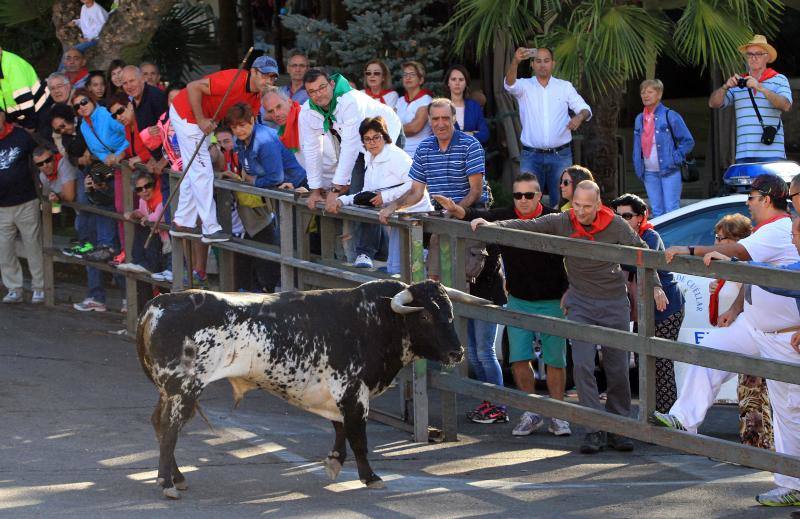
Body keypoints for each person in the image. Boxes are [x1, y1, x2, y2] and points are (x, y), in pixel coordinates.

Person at [472, 180, 667, 454]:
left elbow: (642, 253)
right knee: (584, 366)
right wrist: (493, 226)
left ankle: (618, 427)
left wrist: (656, 284)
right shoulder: (564, 220)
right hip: (581, 301)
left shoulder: (615, 225)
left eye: (587, 206)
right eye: (577, 205)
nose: (582, 211)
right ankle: (593, 429)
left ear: (598, 204)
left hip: (613, 302)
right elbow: (530, 225)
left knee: (618, 368)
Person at [655, 217, 800, 507]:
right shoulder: (780, 234)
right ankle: (685, 418)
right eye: (795, 232)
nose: (793, 239)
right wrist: (737, 306)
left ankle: (792, 484)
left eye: (797, 234)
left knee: (789, 413)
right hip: (753, 327)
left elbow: (783, 282)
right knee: (710, 349)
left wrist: (740, 266)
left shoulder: (778, 232)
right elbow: (760, 279)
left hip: (784, 339)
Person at [434, 173, 571, 435]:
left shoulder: (555, 218)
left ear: (539, 196)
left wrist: (570, 291)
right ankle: (531, 412)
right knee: (519, 358)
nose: (522, 200)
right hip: (518, 300)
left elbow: (577, 254)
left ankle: (559, 414)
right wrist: (456, 209)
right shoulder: (506, 214)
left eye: (528, 195)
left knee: (556, 361)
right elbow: (472, 213)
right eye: (518, 195)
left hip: (553, 299)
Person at [300, 68, 402, 268]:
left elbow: (350, 146)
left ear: (330, 84)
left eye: (321, 87)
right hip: (357, 147)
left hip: (385, 138)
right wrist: (315, 190)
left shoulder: (350, 101)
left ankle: (365, 253)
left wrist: (336, 189)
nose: (318, 94)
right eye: (312, 91)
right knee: (357, 195)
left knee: (370, 193)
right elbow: (312, 148)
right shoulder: (307, 110)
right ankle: (380, 250)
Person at [167, 55, 276, 243]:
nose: (269, 81)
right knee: (202, 172)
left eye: (273, 77)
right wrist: (201, 119)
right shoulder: (232, 79)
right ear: (253, 72)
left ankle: (182, 221)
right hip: (188, 114)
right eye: (265, 75)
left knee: (194, 170)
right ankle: (210, 228)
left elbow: (249, 130)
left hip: (205, 120)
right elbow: (193, 86)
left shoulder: (256, 98)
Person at [610, 193, 685, 413]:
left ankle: (667, 418)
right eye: (617, 216)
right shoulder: (619, 236)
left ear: (641, 217)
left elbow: (639, 263)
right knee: (643, 362)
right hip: (644, 308)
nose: (622, 220)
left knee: (661, 363)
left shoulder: (650, 236)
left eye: (627, 216)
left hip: (666, 306)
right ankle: (650, 416)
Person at [707, 213, 774, 450]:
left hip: (756, 337)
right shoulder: (730, 266)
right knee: (748, 396)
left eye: (721, 238)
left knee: (756, 397)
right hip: (741, 336)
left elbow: (746, 298)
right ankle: (755, 447)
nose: (716, 242)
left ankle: (762, 449)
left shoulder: (745, 266)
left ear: (737, 240)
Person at [335, 116, 432, 274]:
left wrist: (385, 197)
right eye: (367, 139)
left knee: (406, 270)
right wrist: (343, 200)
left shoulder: (395, 155)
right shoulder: (370, 157)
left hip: (414, 214)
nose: (372, 142)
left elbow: (415, 184)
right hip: (395, 216)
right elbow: (367, 193)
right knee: (396, 269)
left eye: (376, 137)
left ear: (384, 136)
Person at [504, 47, 591, 208]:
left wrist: (579, 117)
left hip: (560, 155)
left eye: (546, 61)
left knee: (563, 203)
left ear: (553, 63)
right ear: (532, 64)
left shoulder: (564, 87)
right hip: (531, 155)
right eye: (538, 61)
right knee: (526, 202)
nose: (542, 65)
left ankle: (558, 234)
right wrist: (515, 61)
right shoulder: (524, 86)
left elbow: (585, 109)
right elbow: (509, 85)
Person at [379, 98, 488, 224]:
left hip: (472, 215)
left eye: (445, 118)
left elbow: (476, 192)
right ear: (429, 120)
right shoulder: (424, 147)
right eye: (435, 119)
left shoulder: (470, 145)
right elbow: (416, 192)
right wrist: (393, 206)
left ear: (454, 118)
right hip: (441, 215)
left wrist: (454, 211)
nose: (440, 124)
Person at [708, 35, 792, 163]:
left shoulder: (779, 79)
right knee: (745, 184)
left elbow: (786, 105)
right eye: (750, 54)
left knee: (771, 184)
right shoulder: (739, 82)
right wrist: (725, 86)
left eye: (758, 54)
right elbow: (713, 103)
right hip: (744, 153)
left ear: (767, 57)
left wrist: (760, 87)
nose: (753, 58)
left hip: (772, 153)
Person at [74, 88, 127, 263]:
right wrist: (105, 164)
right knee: (93, 190)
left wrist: (119, 154)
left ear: (92, 100)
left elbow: (129, 132)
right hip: (107, 165)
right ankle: (105, 244)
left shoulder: (105, 114)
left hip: (126, 161)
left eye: (84, 102)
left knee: (117, 204)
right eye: (77, 106)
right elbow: (98, 151)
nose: (81, 107)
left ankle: (112, 246)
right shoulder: (83, 125)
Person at [0, 107, 45, 304]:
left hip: (26, 200)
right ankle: (14, 288)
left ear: (3, 116)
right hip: (1, 206)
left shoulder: (20, 135)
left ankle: (39, 287)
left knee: (32, 245)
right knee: (4, 249)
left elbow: (41, 152)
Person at [633, 79, 695, 217]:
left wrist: (675, 158)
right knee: (656, 211)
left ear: (659, 94)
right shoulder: (639, 118)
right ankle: (660, 239)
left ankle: (675, 239)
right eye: (643, 92)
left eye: (650, 92)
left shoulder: (670, 115)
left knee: (672, 210)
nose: (645, 95)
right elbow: (637, 147)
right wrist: (638, 166)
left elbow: (688, 141)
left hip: (669, 170)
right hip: (648, 172)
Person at [226, 103, 306, 190]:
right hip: (282, 189)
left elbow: (276, 178)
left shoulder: (264, 141)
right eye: (234, 127)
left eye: (242, 125)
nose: (238, 131)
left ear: (252, 121)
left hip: (299, 186)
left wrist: (254, 181)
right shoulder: (240, 140)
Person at [117, 170, 169, 276]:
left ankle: (146, 265)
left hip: (167, 242)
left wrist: (147, 218)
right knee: (141, 224)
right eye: (139, 189)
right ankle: (137, 261)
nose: (144, 190)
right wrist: (133, 214)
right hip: (160, 240)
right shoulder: (143, 200)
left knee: (145, 225)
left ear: (153, 185)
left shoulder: (161, 197)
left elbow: (160, 216)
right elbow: (142, 212)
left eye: (147, 186)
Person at [0, 48, 52, 130]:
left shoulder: (12, 64)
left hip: (41, 109)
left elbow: (24, 99)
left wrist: (30, 125)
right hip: (23, 119)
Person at [443, 65, 489, 146]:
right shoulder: (440, 107)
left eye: (461, 80)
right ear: (448, 83)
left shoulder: (474, 106)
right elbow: (437, 135)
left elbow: (485, 134)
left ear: (466, 83)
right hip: (448, 156)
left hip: (472, 155)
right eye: (453, 79)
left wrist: (469, 135)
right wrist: (470, 134)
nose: (457, 83)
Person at [395, 61, 433, 157]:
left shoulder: (426, 100)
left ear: (421, 80)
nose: (408, 77)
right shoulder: (400, 101)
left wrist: (392, 128)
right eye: (405, 74)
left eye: (412, 74)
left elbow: (414, 128)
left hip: (420, 155)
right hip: (400, 154)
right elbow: (389, 121)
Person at [33, 145, 78, 210]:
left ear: (53, 158)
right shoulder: (42, 176)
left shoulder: (64, 164)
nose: (45, 165)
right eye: (40, 164)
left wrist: (57, 197)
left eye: (48, 160)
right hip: (71, 206)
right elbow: (48, 199)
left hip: (83, 203)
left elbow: (70, 197)